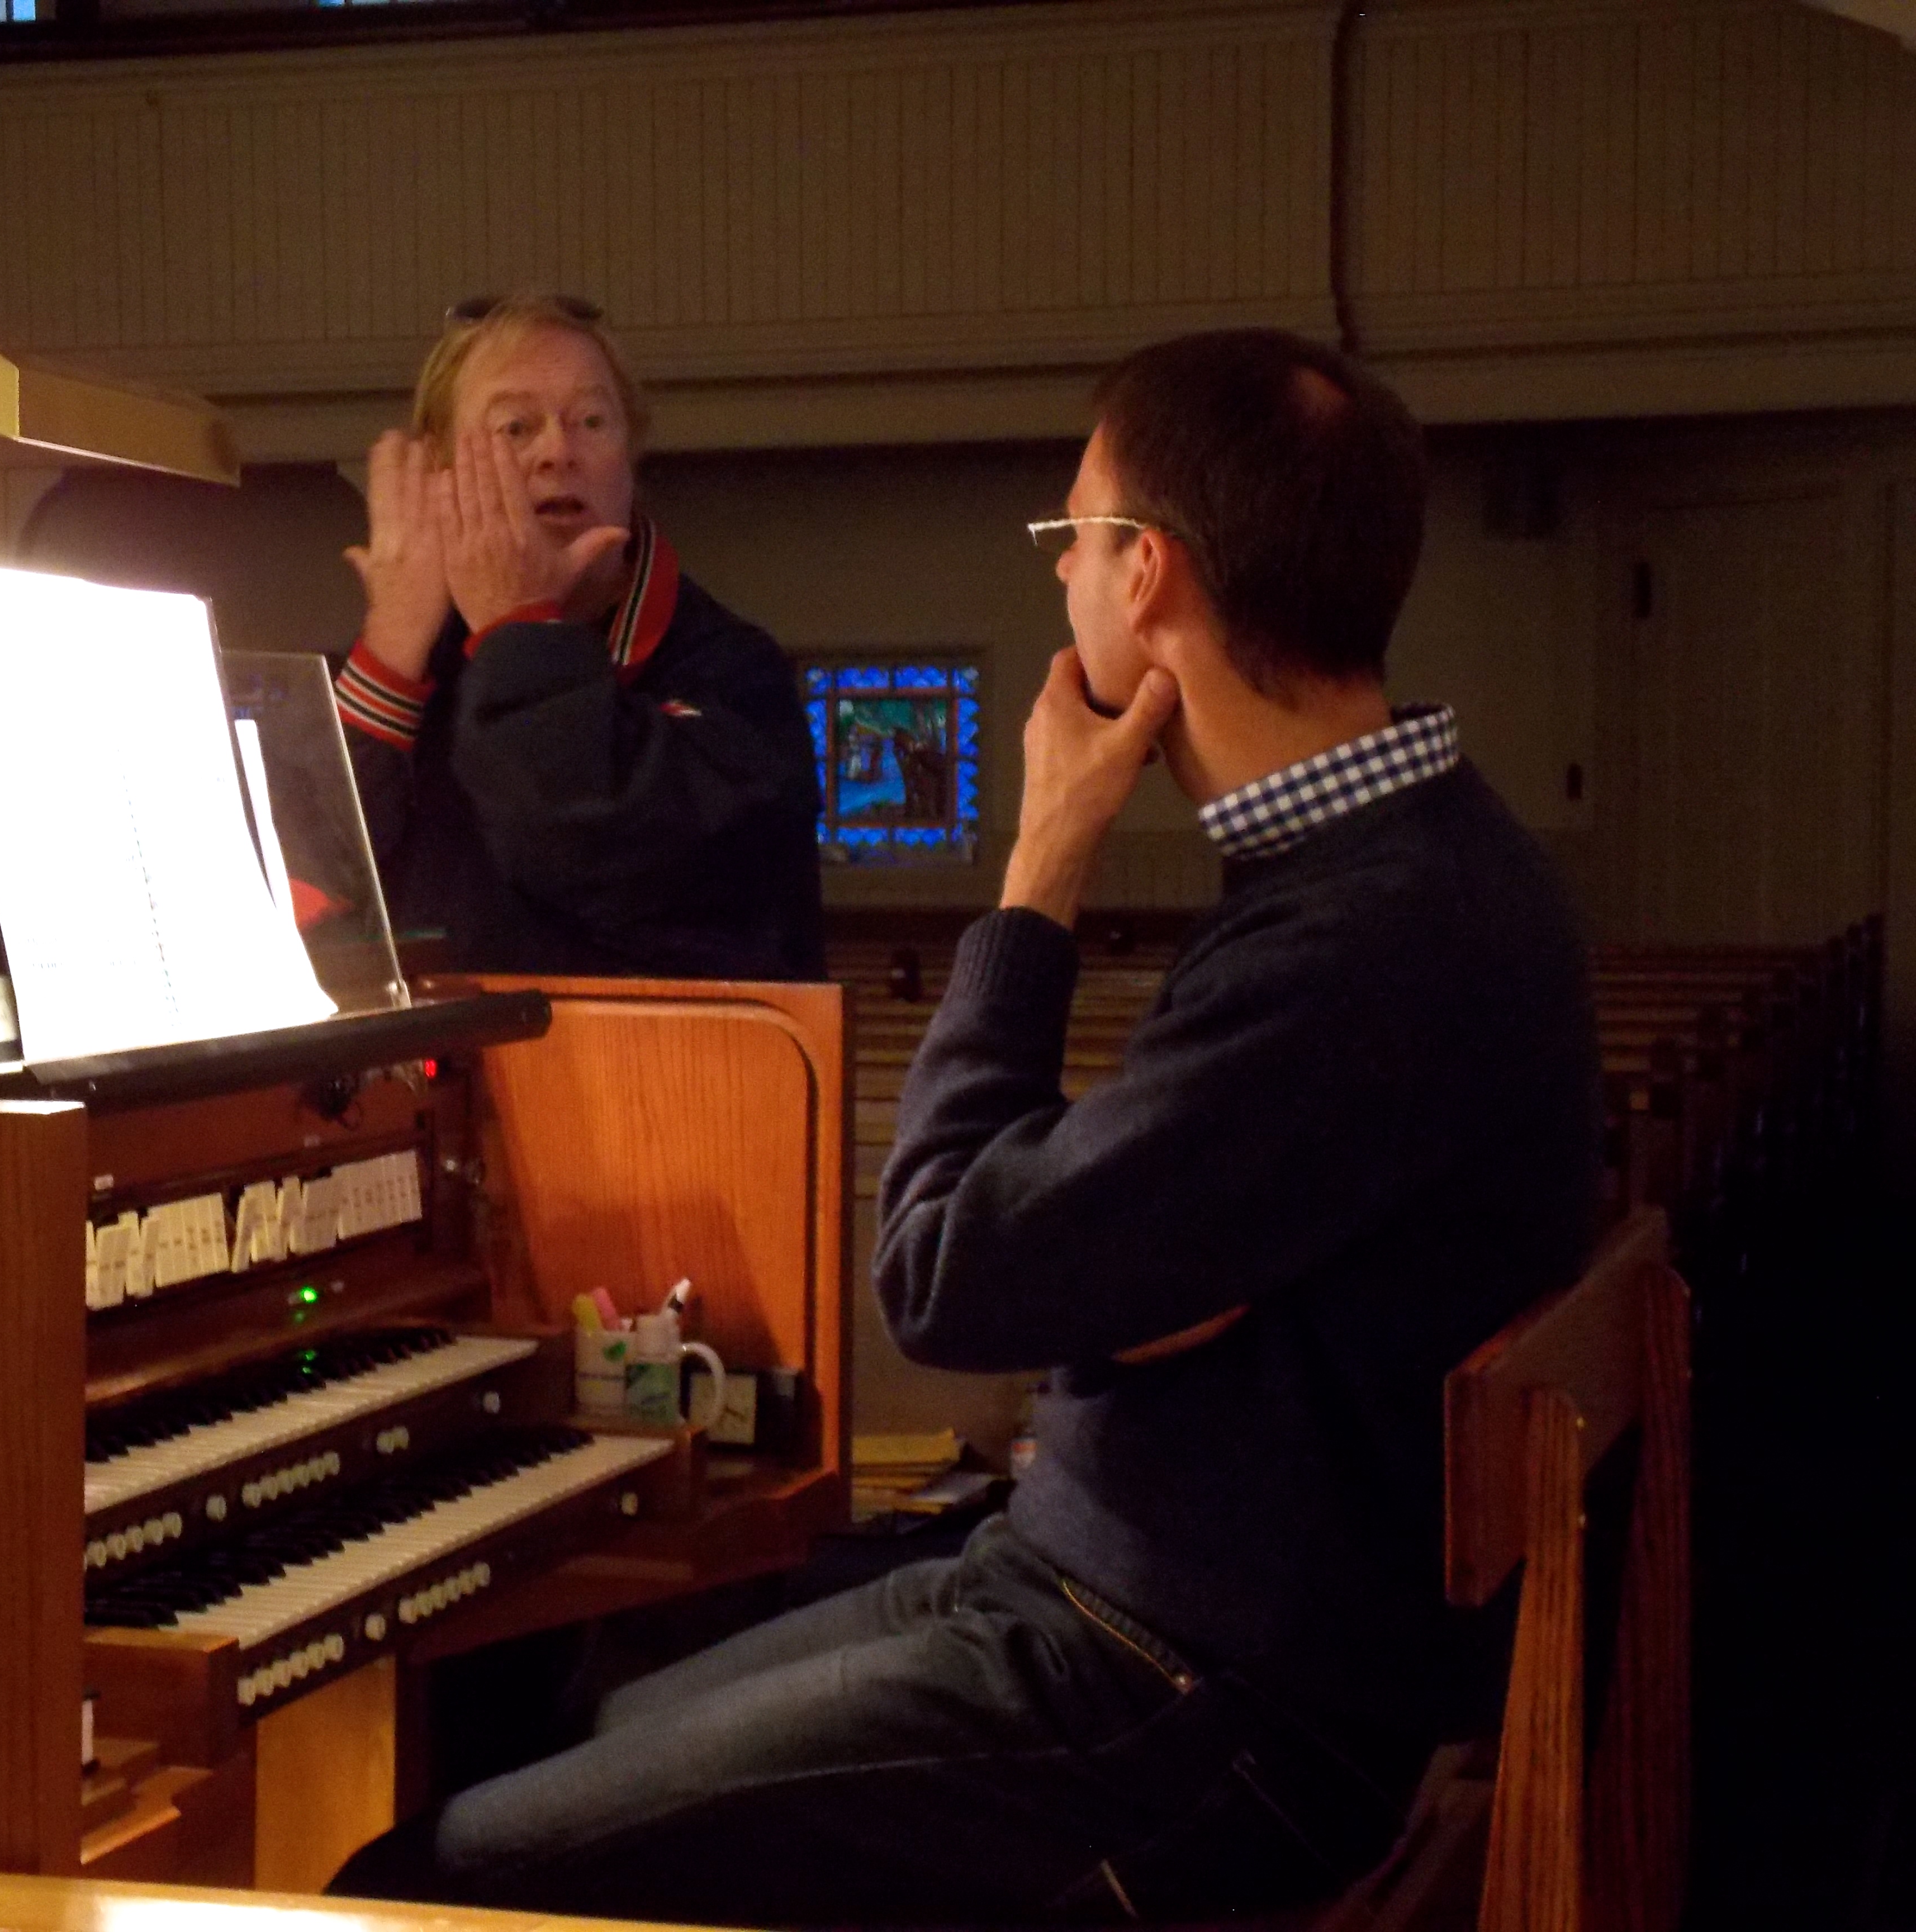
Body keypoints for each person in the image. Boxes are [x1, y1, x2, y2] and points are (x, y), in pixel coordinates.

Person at [329, 328, 1601, 1925]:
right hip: (1118, 1590)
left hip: (1188, 1694)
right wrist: (1112, 1304)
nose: (1061, 575)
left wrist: (1043, 861)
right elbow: (1084, 1271)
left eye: (1072, 534)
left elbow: (942, 1275)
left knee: (427, 1881)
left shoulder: (1372, 937)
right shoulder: (1404, 868)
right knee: (605, 1719)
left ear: (1144, 579)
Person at [333, 293, 822, 979]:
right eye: (515, 428)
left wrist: (518, 623)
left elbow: (590, 846)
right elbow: (302, 898)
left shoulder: (736, 674)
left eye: (592, 421)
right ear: (442, 473)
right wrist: (389, 652)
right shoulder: (411, 657)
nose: (558, 452)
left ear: (631, 462)